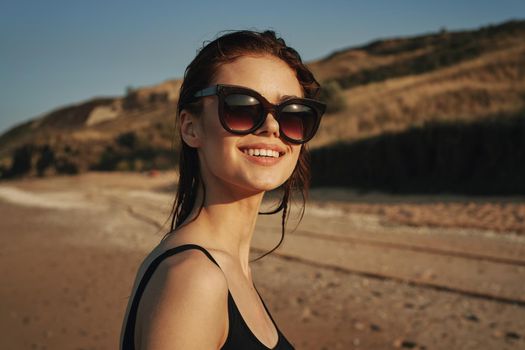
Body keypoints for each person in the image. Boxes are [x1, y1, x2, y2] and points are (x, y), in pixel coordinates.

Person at [120, 29, 326, 350]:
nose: (272, 127)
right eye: (242, 107)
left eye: (292, 115)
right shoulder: (194, 278)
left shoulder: (219, 267)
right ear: (191, 128)